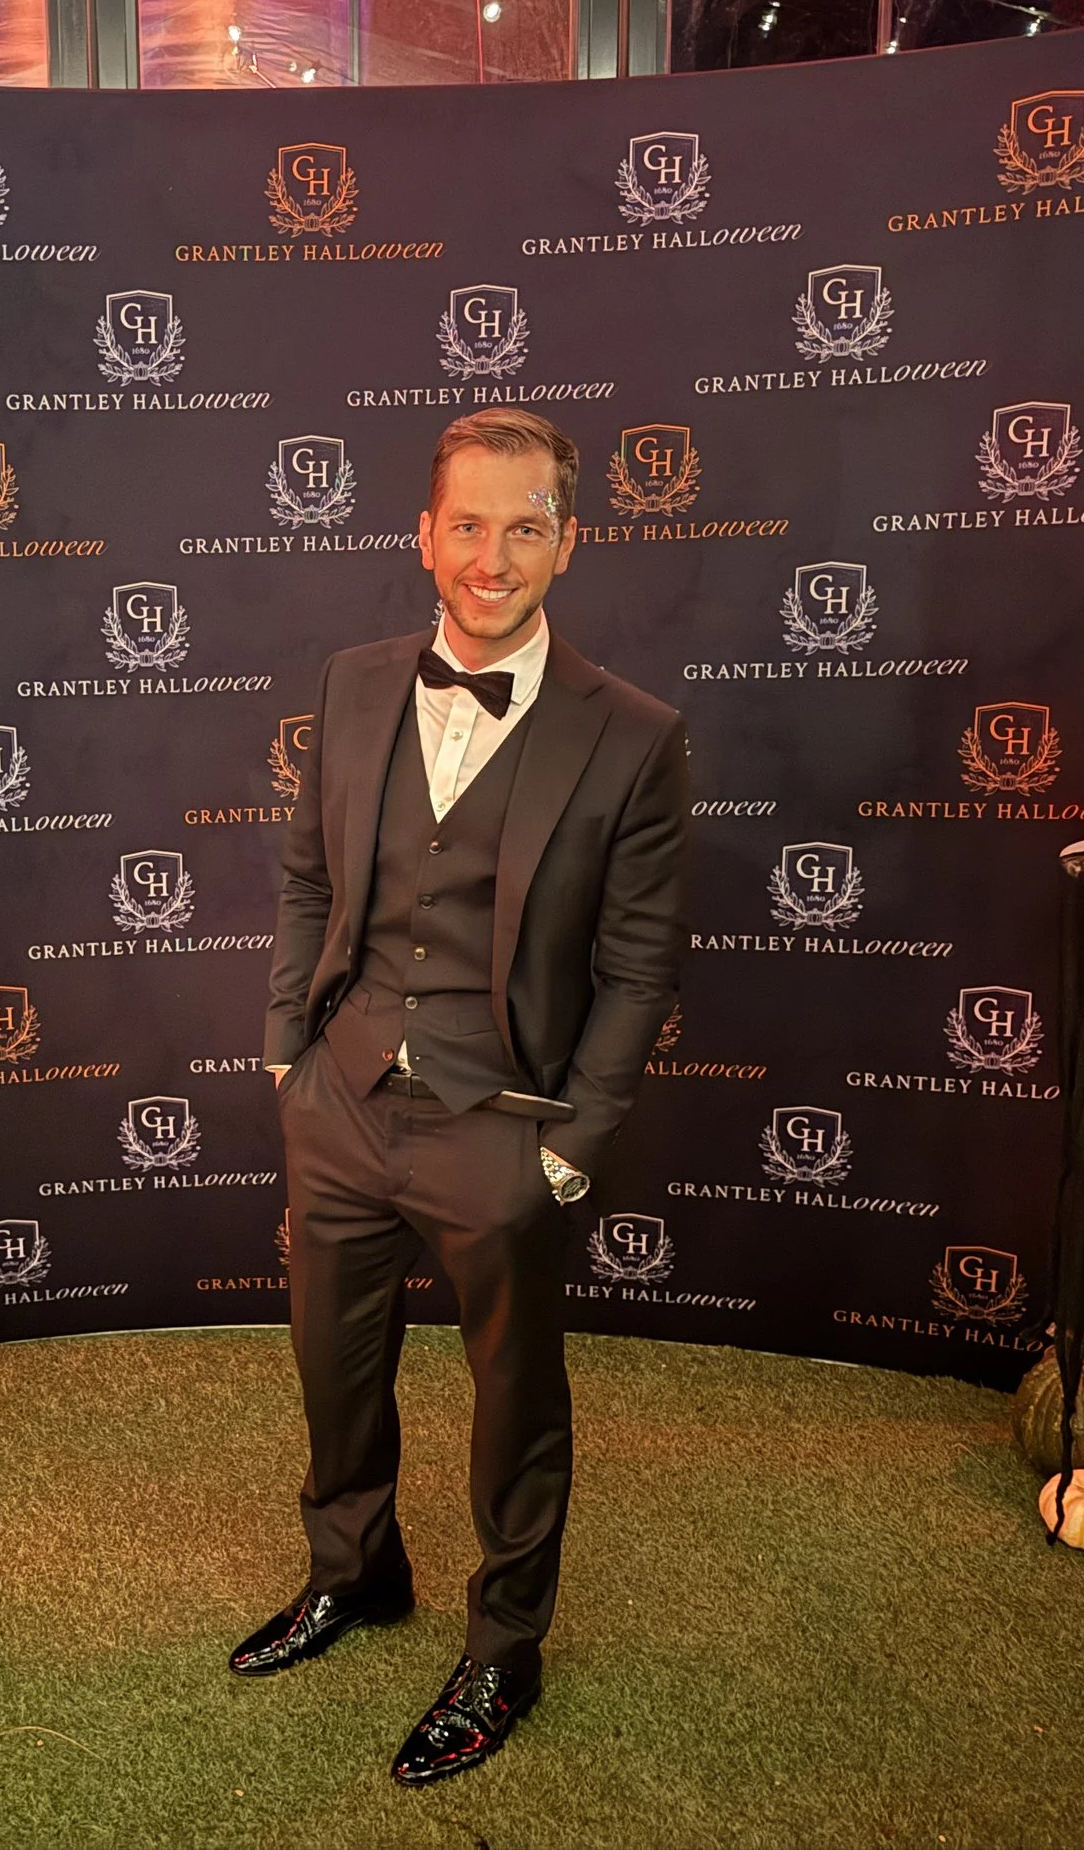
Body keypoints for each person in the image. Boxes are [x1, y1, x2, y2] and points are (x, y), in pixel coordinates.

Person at [238, 408, 688, 1784]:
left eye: (526, 525)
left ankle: (504, 1644)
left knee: (514, 1403)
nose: (494, 557)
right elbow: (309, 873)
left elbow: (636, 966)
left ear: (570, 540)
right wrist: (286, 1051)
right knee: (335, 1365)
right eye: (469, 525)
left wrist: (572, 1150)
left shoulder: (635, 735)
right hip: (345, 1098)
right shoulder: (355, 680)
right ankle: (356, 1567)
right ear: (426, 536)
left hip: (506, 1129)